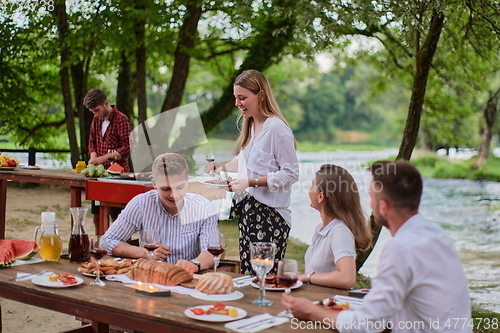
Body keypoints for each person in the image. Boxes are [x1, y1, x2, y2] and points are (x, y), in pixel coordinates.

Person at [282, 160, 472, 333]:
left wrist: (313, 312)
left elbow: (368, 323)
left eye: (371, 197)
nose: (368, 204)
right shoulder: (438, 235)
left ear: (383, 207)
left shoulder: (400, 248)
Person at [205, 69, 299, 275]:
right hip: (249, 212)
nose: (237, 103)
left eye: (242, 98)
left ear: (261, 95)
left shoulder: (276, 128)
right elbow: (245, 162)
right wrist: (220, 166)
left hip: (270, 216)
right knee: (249, 276)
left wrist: (251, 182)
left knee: (265, 277)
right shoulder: (250, 124)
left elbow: (291, 174)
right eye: (236, 98)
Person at [101, 153, 219, 273]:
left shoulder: (203, 208)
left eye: (180, 187)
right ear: (154, 184)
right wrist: (145, 253)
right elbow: (107, 241)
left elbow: (212, 252)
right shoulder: (141, 204)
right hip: (149, 277)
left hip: (187, 276)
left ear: (188, 181)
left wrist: (194, 264)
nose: (174, 195)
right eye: (166, 189)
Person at [300, 164, 371, 289]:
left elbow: (347, 278)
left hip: (329, 303)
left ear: (321, 196)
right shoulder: (322, 229)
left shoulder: (340, 232)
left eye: (312, 185)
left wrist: (307, 276)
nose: (309, 190)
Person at [83, 89, 132, 225]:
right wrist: (93, 156)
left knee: (118, 217)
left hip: (118, 175)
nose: (95, 114)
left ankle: (121, 245)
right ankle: (100, 244)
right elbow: (92, 140)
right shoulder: (96, 119)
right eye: (92, 111)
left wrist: (103, 158)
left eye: (97, 110)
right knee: (97, 215)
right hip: (99, 174)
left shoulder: (121, 119)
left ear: (106, 104)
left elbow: (128, 147)